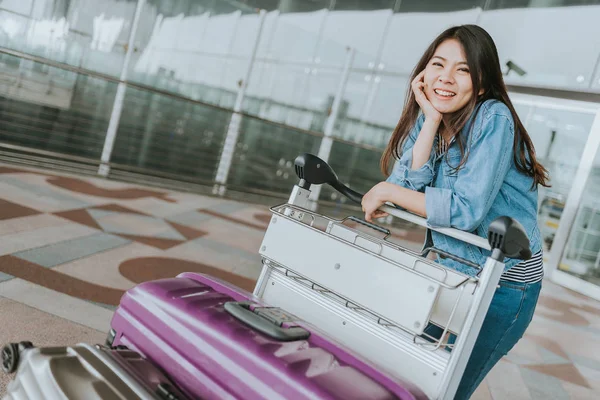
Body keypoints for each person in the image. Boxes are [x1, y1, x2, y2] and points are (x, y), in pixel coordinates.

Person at [361, 25, 549, 399]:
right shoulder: (431, 119)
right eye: (437, 65)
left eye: (462, 70)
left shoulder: (493, 118)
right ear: (423, 72)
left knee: (447, 389)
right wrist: (430, 119)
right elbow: (407, 190)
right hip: (450, 271)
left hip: (505, 283)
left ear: (480, 84)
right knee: (406, 372)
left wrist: (386, 190)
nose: (445, 78)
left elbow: (465, 211)